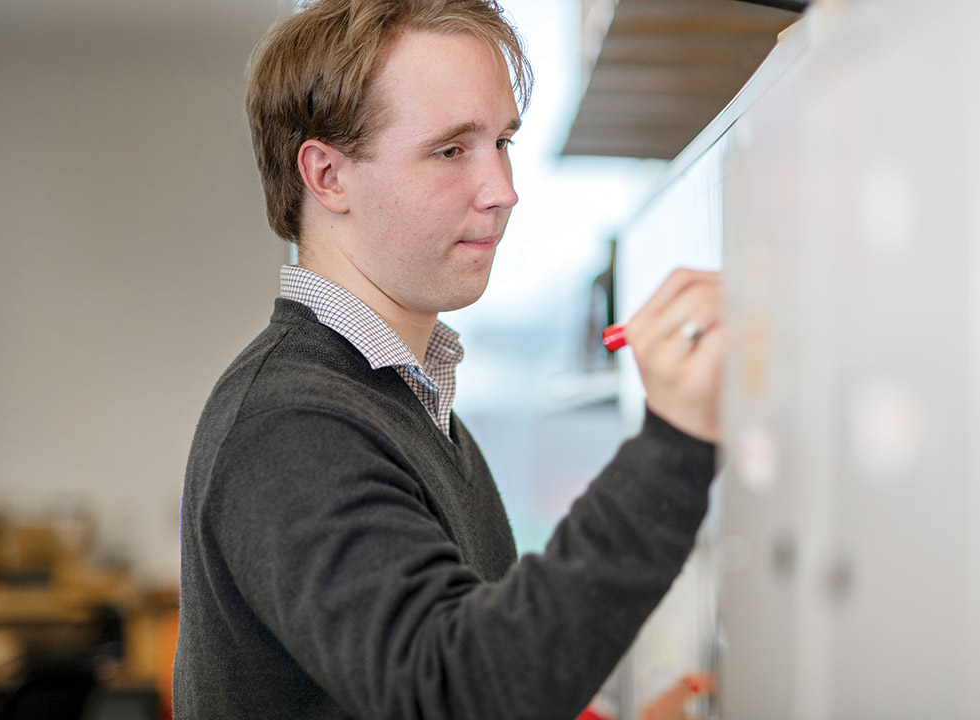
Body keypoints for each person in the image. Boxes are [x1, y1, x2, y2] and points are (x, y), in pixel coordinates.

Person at [173, 1, 725, 718]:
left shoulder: (403, 400)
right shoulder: (292, 427)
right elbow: (453, 691)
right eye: (451, 150)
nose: (503, 191)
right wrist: (674, 443)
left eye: (502, 142)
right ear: (328, 176)